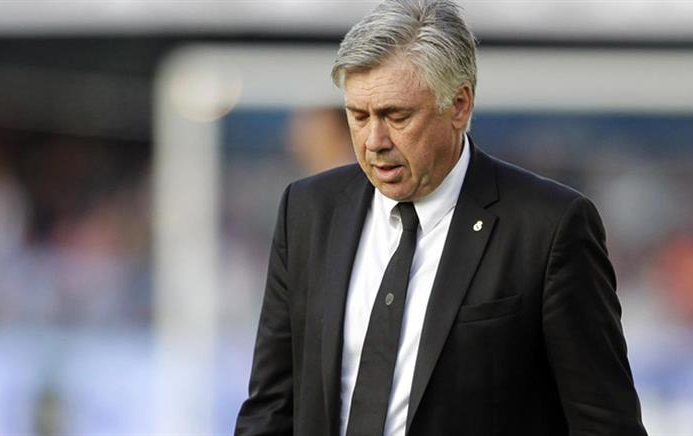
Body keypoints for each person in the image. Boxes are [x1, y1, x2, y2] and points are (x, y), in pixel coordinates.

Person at [234, 0, 647, 435]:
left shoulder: (548, 228)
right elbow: (270, 408)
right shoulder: (307, 210)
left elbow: (605, 424)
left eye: (396, 116)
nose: (374, 140)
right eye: (358, 116)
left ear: (459, 106)